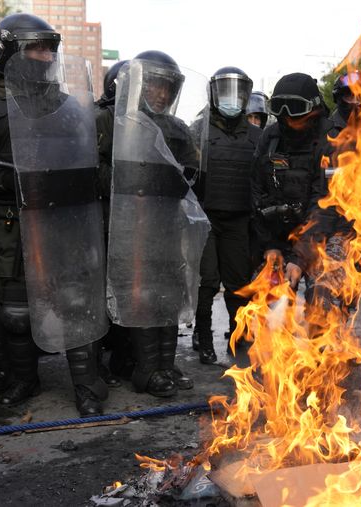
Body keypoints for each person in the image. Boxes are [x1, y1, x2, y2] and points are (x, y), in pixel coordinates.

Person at [0, 13, 108, 415]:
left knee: (75, 301)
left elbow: (87, 157)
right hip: (12, 221)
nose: (46, 56)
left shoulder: (67, 104)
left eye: (50, 48)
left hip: (64, 220)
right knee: (15, 310)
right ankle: (23, 379)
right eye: (36, 48)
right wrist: (8, 181)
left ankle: (85, 384)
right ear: (8, 51)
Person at [107, 50, 203, 397]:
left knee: (169, 295)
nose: (161, 95)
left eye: (167, 89)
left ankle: (166, 363)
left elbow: (194, 171)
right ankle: (146, 369)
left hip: (168, 224)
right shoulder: (116, 121)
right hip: (129, 226)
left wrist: (181, 179)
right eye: (154, 87)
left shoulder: (178, 129)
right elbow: (103, 172)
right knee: (141, 297)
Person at [193, 67, 262, 364]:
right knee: (206, 284)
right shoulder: (199, 131)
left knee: (238, 284)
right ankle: (204, 340)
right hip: (206, 219)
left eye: (237, 92)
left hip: (239, 220)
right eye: (225, 92)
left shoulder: (258, 136)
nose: (231, 99)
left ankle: (240, 338)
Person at [252, 73, 333, 290]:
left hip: (326, 235)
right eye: (280, 108)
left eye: (294, 109)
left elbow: (326, 206)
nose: (287, 117)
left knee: (324, 299)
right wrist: (270, 246)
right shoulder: (270, 138)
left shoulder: (333, 140)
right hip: (279, 234)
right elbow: (257, 194)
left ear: (313, 109)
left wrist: (299, 257)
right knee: (267, 296)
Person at [95, 59, 134, 386]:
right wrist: (127, 179)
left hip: (135, 222)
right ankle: (102, 363)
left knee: (128, 291)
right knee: (103, 294)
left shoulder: (143, 122)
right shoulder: (102, 119)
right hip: (105, 219)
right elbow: (92, 167)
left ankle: (124, 357)